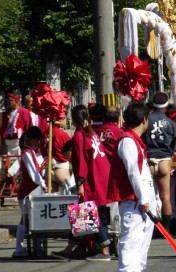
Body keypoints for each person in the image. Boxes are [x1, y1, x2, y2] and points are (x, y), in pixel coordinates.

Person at [53, 105, 112, 261]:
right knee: (81, 211)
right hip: (101, 175)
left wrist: (80, 183)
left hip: (90, 179)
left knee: (87, 212)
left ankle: (105, 248)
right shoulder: (91, 132)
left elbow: (81, 163)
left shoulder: (79, 136)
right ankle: (70, 248)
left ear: (73, 119)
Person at [107, 102, 157, 271]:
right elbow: (133, 172)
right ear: (144, 120)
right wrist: (143, 199)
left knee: (142, 246)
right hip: (135, 200)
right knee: (131, 243)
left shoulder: (134, 140)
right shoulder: (127, 141)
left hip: (143, 197)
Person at [143, 92, 176, 233]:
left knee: (147, 196)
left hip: (149, 159)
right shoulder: (171, 123)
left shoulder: (146, 120)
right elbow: (175, 143)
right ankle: (167, 229)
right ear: (166, 105)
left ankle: (149, 227)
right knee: (166, 197)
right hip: (164, 159)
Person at [13, 126, 47, 258]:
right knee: (25, 219)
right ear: (28, 138)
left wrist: (42, 169)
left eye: (38, 140)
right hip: (28, 192)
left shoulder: (32, 152)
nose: (37, 142)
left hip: (33, 191)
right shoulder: (27, 152)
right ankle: (18, 248)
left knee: (31, 219)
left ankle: (33, 246)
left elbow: (37, 172)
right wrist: (43, 184)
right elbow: (33, 174)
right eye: (34, 139)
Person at [0, 91, 31, 156]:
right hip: (8, 143)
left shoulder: (24, 112)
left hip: (19, 142)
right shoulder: (7, 113)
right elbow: (3, 128)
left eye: (11, 100)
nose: (8, 102)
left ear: (17, 101)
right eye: (8, 100)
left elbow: (28, 127)